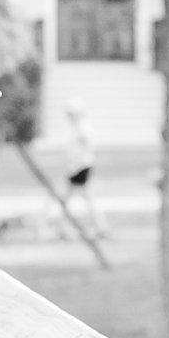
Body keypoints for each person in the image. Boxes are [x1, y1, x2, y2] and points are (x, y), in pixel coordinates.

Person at [62, 101, 106, 242]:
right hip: (77, 167)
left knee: (72, 198)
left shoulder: (82, 127)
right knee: (83, 198)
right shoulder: (78, 126)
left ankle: (68, 228)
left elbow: (87, 146)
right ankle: (100, 227)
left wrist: (75, 162)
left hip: (80, 167)